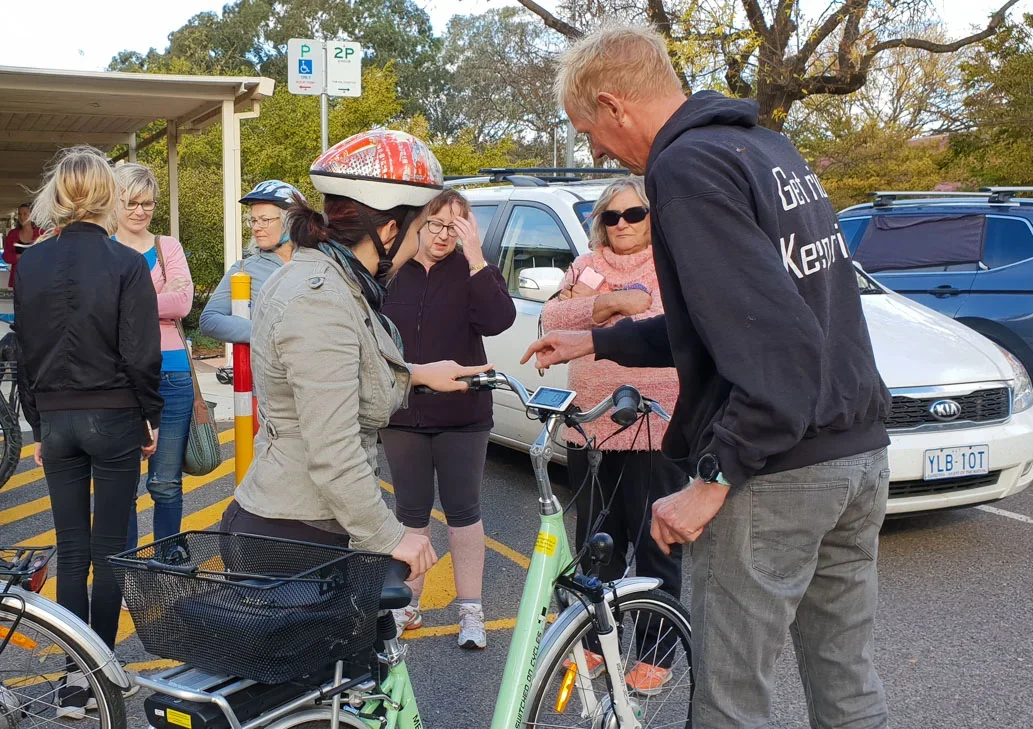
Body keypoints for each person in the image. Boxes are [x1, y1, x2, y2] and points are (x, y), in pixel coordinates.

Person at [524, 25, 891, 728]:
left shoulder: (684, 168)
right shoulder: (763, 146)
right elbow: (722, 323)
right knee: (845, 681)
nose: (596, 150)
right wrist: (597, 337)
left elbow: (772, 346)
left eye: (587, 130)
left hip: (778, 472)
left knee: (730, 700)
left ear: (614, 104)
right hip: (856, 450)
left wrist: (711, 479)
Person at [223, 129, 491, 579]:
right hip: (295, 536)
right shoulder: (320, 300)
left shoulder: (331, 281)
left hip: (307, 525)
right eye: (422, 225)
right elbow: (333, 448)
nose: (424, 239)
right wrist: (389, 536)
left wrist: (419, 373)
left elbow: (340, 369)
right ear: (388, 230)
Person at [12, 146, 162, 716]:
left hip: (56, 413)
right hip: (113, 410)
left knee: (71, 549)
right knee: (108, 549)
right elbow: (141, 352)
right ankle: (102, 668)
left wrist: (36, 415)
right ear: (107, 195)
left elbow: (23, 348)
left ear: (59, 194)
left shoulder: (33, 262)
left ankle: (75, 678)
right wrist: (149, 412)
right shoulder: (126, 262)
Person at [538, 176, 683, 691]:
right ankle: (598, 641)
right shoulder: (585, 263)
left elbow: (671, 322)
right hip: (590, 424)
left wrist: (596, 309)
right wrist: (614, 304)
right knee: (596, 540)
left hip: (651, 422)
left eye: (635, 215)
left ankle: (658, 650)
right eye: (613, 216)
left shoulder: (672, 260)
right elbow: (551, 315)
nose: (623, 225)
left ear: (652, 217)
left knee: (653, 541)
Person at [379, 188, 515, 648]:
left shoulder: (470, 269)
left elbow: (498, 320)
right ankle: (407, 606)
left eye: (454, 227)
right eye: (435, 224)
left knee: (464, 513)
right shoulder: (393, 270)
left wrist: (476, 256)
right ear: (418, 223)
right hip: (403, 412)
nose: (442, 235)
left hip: (463, 414)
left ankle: (471, 611)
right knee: (411, 515)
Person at [111, 163, 194, 550]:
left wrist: (127, 303)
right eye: (132, 202)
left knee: (165, 482)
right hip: (119, 375)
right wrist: (157, 300)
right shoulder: (105, 248)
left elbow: (183, 302)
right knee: (122, 484)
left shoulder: (167, 246)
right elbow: (97, 307)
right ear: (115, 202)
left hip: (172, 372)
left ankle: (167, 561)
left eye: (148, 203)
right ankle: (127, 570)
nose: (140, 211)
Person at [199, 180, 305, 343]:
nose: (256, 227)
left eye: (265, 220)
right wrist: (268, 332)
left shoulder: (319, 264)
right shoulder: (243, 269)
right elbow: (209, 320)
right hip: (267, 367)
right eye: (254, 220)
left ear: (291, 221)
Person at [2, 202, 43, 289]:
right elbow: (6, 256)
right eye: (20, 214)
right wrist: (19, 257)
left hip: (38, 278)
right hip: (18, 279)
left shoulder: (41, 233)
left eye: (25, 214)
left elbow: (48, 254)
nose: (22, 217)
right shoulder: (13, 234)